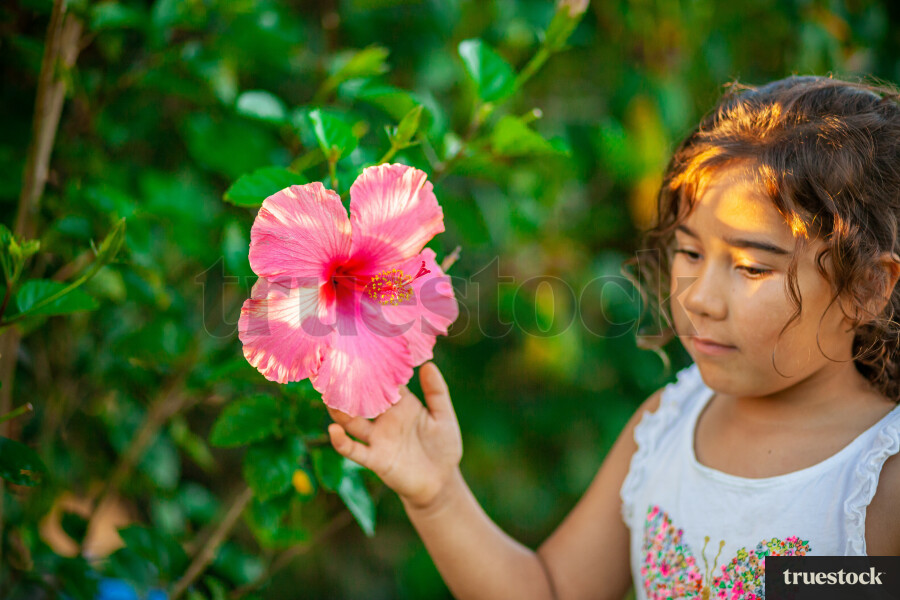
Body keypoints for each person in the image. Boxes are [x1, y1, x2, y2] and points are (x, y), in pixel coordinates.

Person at [326, 75, 900, 599]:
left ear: (869, 285)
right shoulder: (668, 426)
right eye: (690, 252)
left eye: (752, 267)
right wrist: (438, 494)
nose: (698, 297)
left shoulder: (879, 481)